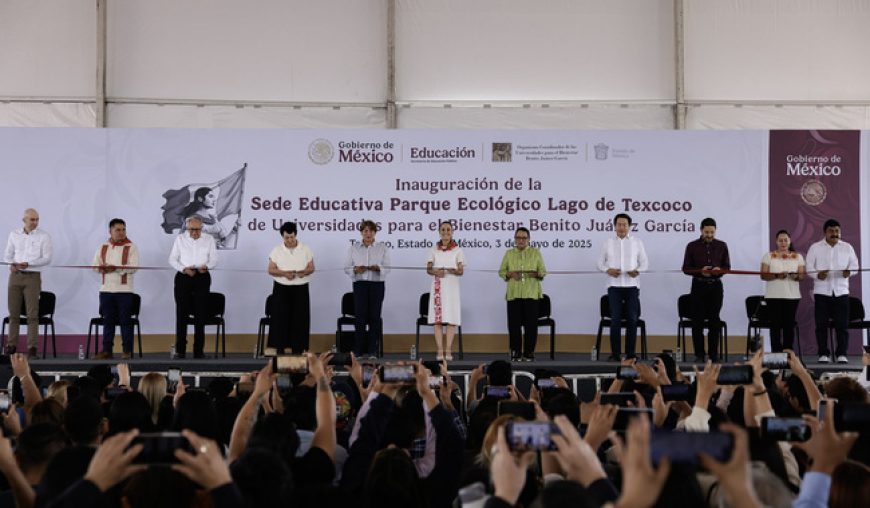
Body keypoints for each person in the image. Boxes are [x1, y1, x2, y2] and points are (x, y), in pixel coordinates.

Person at [805, 219, 859, 364]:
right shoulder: (815, 247)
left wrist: (850, 272)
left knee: (842, 325)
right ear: (825, 232)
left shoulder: (847, 247)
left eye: (837, 231)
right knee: (821, 325)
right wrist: (817, 275)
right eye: (831, 231)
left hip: (841, 292)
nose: (834, 234)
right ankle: (823, 354)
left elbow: (855, 266)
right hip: (822, 292)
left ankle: (842, 353)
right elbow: (809, 266)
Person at [597, 213, 648, 361]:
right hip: (614, 287)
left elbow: (645, 262)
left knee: (632, 319)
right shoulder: (607, 243)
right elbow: (600, 263)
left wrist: (638, 271)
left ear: (630, 226)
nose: (621, 227)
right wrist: (608, 270)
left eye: (624, 225)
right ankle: (616, 354)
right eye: (619, 224)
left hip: (632, 286)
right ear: (614, 226)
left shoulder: (637, 242)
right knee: (615, 320)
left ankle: (630, 354)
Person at [3, 208, 52, 358]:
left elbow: (47, 258)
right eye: (32, 219)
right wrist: (11, 263)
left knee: (32, 314)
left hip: (33, 276)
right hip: (15, 276)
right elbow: (7, 254)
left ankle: (32, 347)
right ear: (24, 220)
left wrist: (29, 263)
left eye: (37, 219)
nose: (35, 222)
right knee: (14, 314)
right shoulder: (14, 234)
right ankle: (11, 345)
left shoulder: (44, 236)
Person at [682, 217, 730, 362]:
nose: (709, 235)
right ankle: (699, 355)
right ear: (701, 230)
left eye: (712, 232)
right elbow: (685, 268)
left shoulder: (722, 245)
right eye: (707, 232)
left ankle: (713, 355)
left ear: (715, 231)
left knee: (714, 321)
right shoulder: (692, 246)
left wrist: (719, 270)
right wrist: (700, 271)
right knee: (697, 322)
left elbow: (727, 267)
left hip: (715, 286)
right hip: (698, 285)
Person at [169, 216, 217, 359]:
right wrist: (183, 269)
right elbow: (172, 259)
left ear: (202, 228)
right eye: (192, 230)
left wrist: (207, 266)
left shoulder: (209, 239)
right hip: (184, 276)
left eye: (198, 229)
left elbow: (214, 258)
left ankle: (198, 350)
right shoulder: (180, 239)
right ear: (187, 228)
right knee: (181, 313)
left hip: (202, 276)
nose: (195, 232)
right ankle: (180, 350)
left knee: (200, 313)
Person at [498, 227, 546, 362]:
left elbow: (543, 271)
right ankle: (516, 351)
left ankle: (529, 352)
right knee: (514, 325)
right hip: (514, 294)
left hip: (531, 293)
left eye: (524, 238)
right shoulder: (509, 254)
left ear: (528, 240)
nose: (521, 240)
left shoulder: (536, 253)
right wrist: (509, 274)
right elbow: (501, 271)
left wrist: (537, 274)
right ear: (515, 239)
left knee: (531, 325)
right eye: (518, 238)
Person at [344, 220, 390, 358]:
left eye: (370, 231)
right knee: (360, 318)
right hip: (360, 285)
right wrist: (355, 270)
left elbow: (388, 267)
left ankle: (372, 351)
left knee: (375, 318)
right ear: (361, 233)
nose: (368, 233)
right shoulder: (354, 248)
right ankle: (358, 350)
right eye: (365, 231)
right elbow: (347, 267)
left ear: (375, 232)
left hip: (377, 285)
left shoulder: (383, 247)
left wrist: (379, 268)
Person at [93, 219, 139, 360]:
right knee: (108, 322)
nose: (121, 232)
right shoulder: (103, 247)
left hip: (125, 291)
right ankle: (107, 350)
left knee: (125, 321)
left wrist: (116, 268)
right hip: (106, 290)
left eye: (123, 229)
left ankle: (127, 350)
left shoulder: (131, 247)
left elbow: (134, 268)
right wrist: (102, 268)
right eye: (118, 230)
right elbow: (94, 266)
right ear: (110, 231)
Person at [267, 222, 314, 354]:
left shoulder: (305, 249)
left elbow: (311, 267)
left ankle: (298, 349)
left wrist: (304, 272)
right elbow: (270, 269)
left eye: (292, 237)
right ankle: (280, 348)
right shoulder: (277, 250)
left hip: (301, 288)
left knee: (300, 319)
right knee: (280, 318)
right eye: (286, 237)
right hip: (281, 288)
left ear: (295, 235)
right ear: (282, 237)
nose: (290, 240)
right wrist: (284, 273)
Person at [759, 230, 806, 352]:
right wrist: (776, 276)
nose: (783, 242)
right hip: (773, 296)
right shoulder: (768, 255)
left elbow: (802, 276)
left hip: (792, 296)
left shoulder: (798, 256)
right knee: (775, 325)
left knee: (788, 326)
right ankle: (776, 353)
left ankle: (788, 352)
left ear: (790, 241)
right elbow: (763, 275)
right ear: (776, 242)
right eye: (780, 240)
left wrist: (795, 276)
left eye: (786, 240)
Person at [426, 221, 465, 361]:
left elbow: (461, 271)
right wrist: (435, 271)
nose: (446, 232)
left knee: (451, 319)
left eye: (448, 229)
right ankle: (440, 350)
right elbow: (429, 269)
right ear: (439, 231)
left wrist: (450, 270)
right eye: (443, 229)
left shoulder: (458, 250)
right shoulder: (433, 249)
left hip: (452, 287)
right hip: (438, 286)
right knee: (438, 320)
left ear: (452, 232)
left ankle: (448, 350)